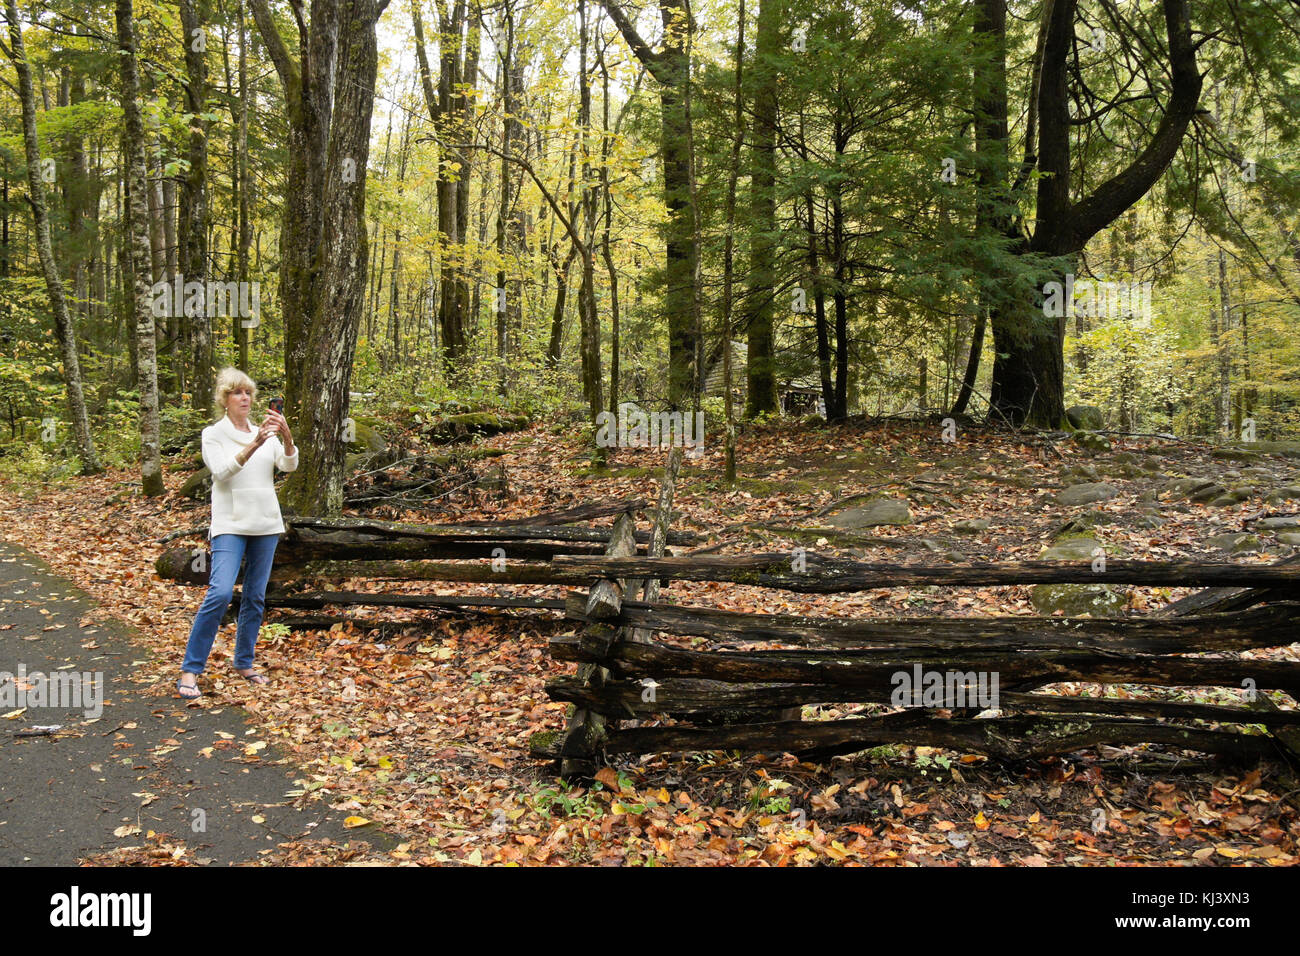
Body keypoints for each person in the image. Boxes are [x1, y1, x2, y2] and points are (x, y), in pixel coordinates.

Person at [177, 368, 298, 699]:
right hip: (230, 524)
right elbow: (221, 472)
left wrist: (286, 438)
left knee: (256, 597)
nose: (244, 398)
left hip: (266, 524)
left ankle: (244, 663)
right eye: (236, 393)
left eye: (248, 392)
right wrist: (254, 444)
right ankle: (190, 670)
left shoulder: (265, 432)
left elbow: (288, 467)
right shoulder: (213, 434)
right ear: (224, 399)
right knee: (219, 593)